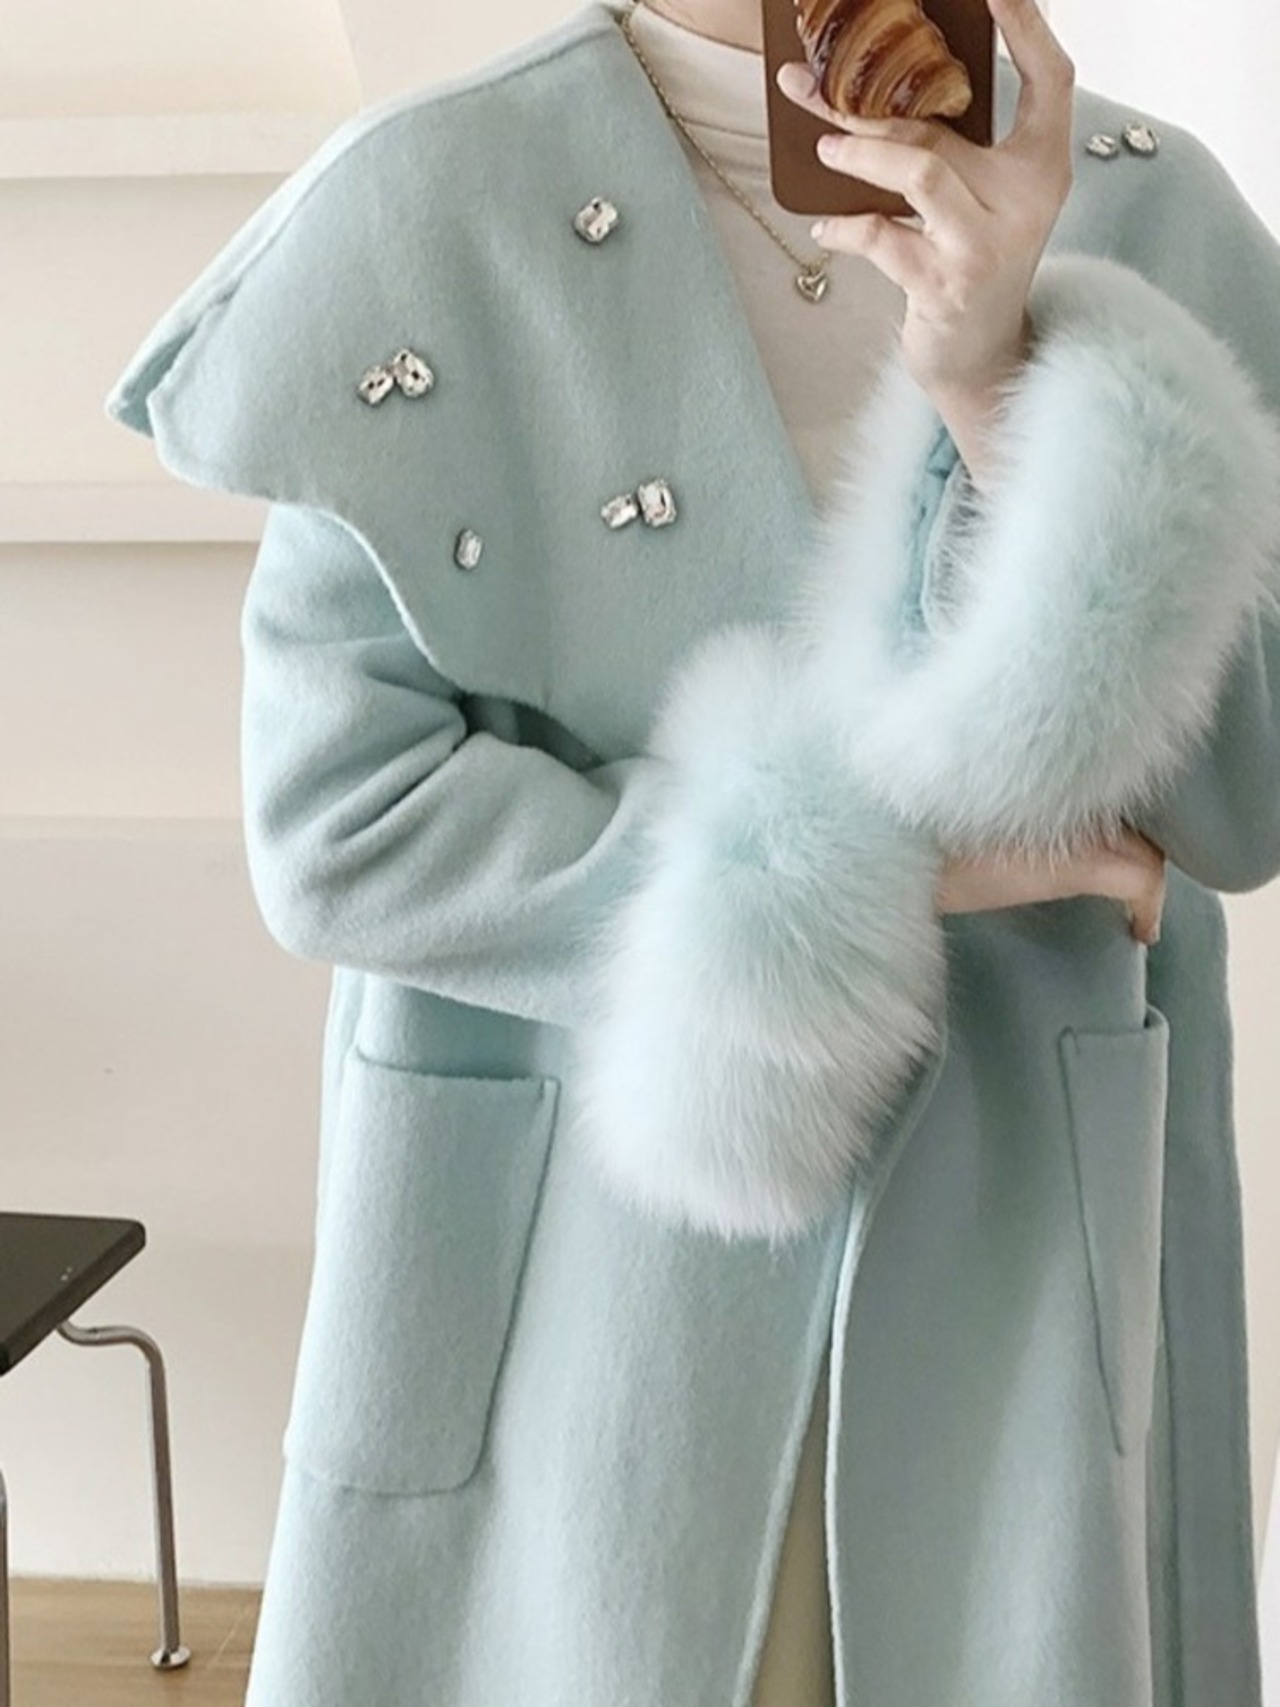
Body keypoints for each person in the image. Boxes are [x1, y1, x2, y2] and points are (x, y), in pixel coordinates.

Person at [104, 0, 1280, 1701]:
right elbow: (340, 820)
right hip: (577, 1308)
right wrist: (857, 874)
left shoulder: (1148, 209)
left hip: (1014, 1275)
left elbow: (1246, 801)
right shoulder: (430, 205)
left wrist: (1000, 381)